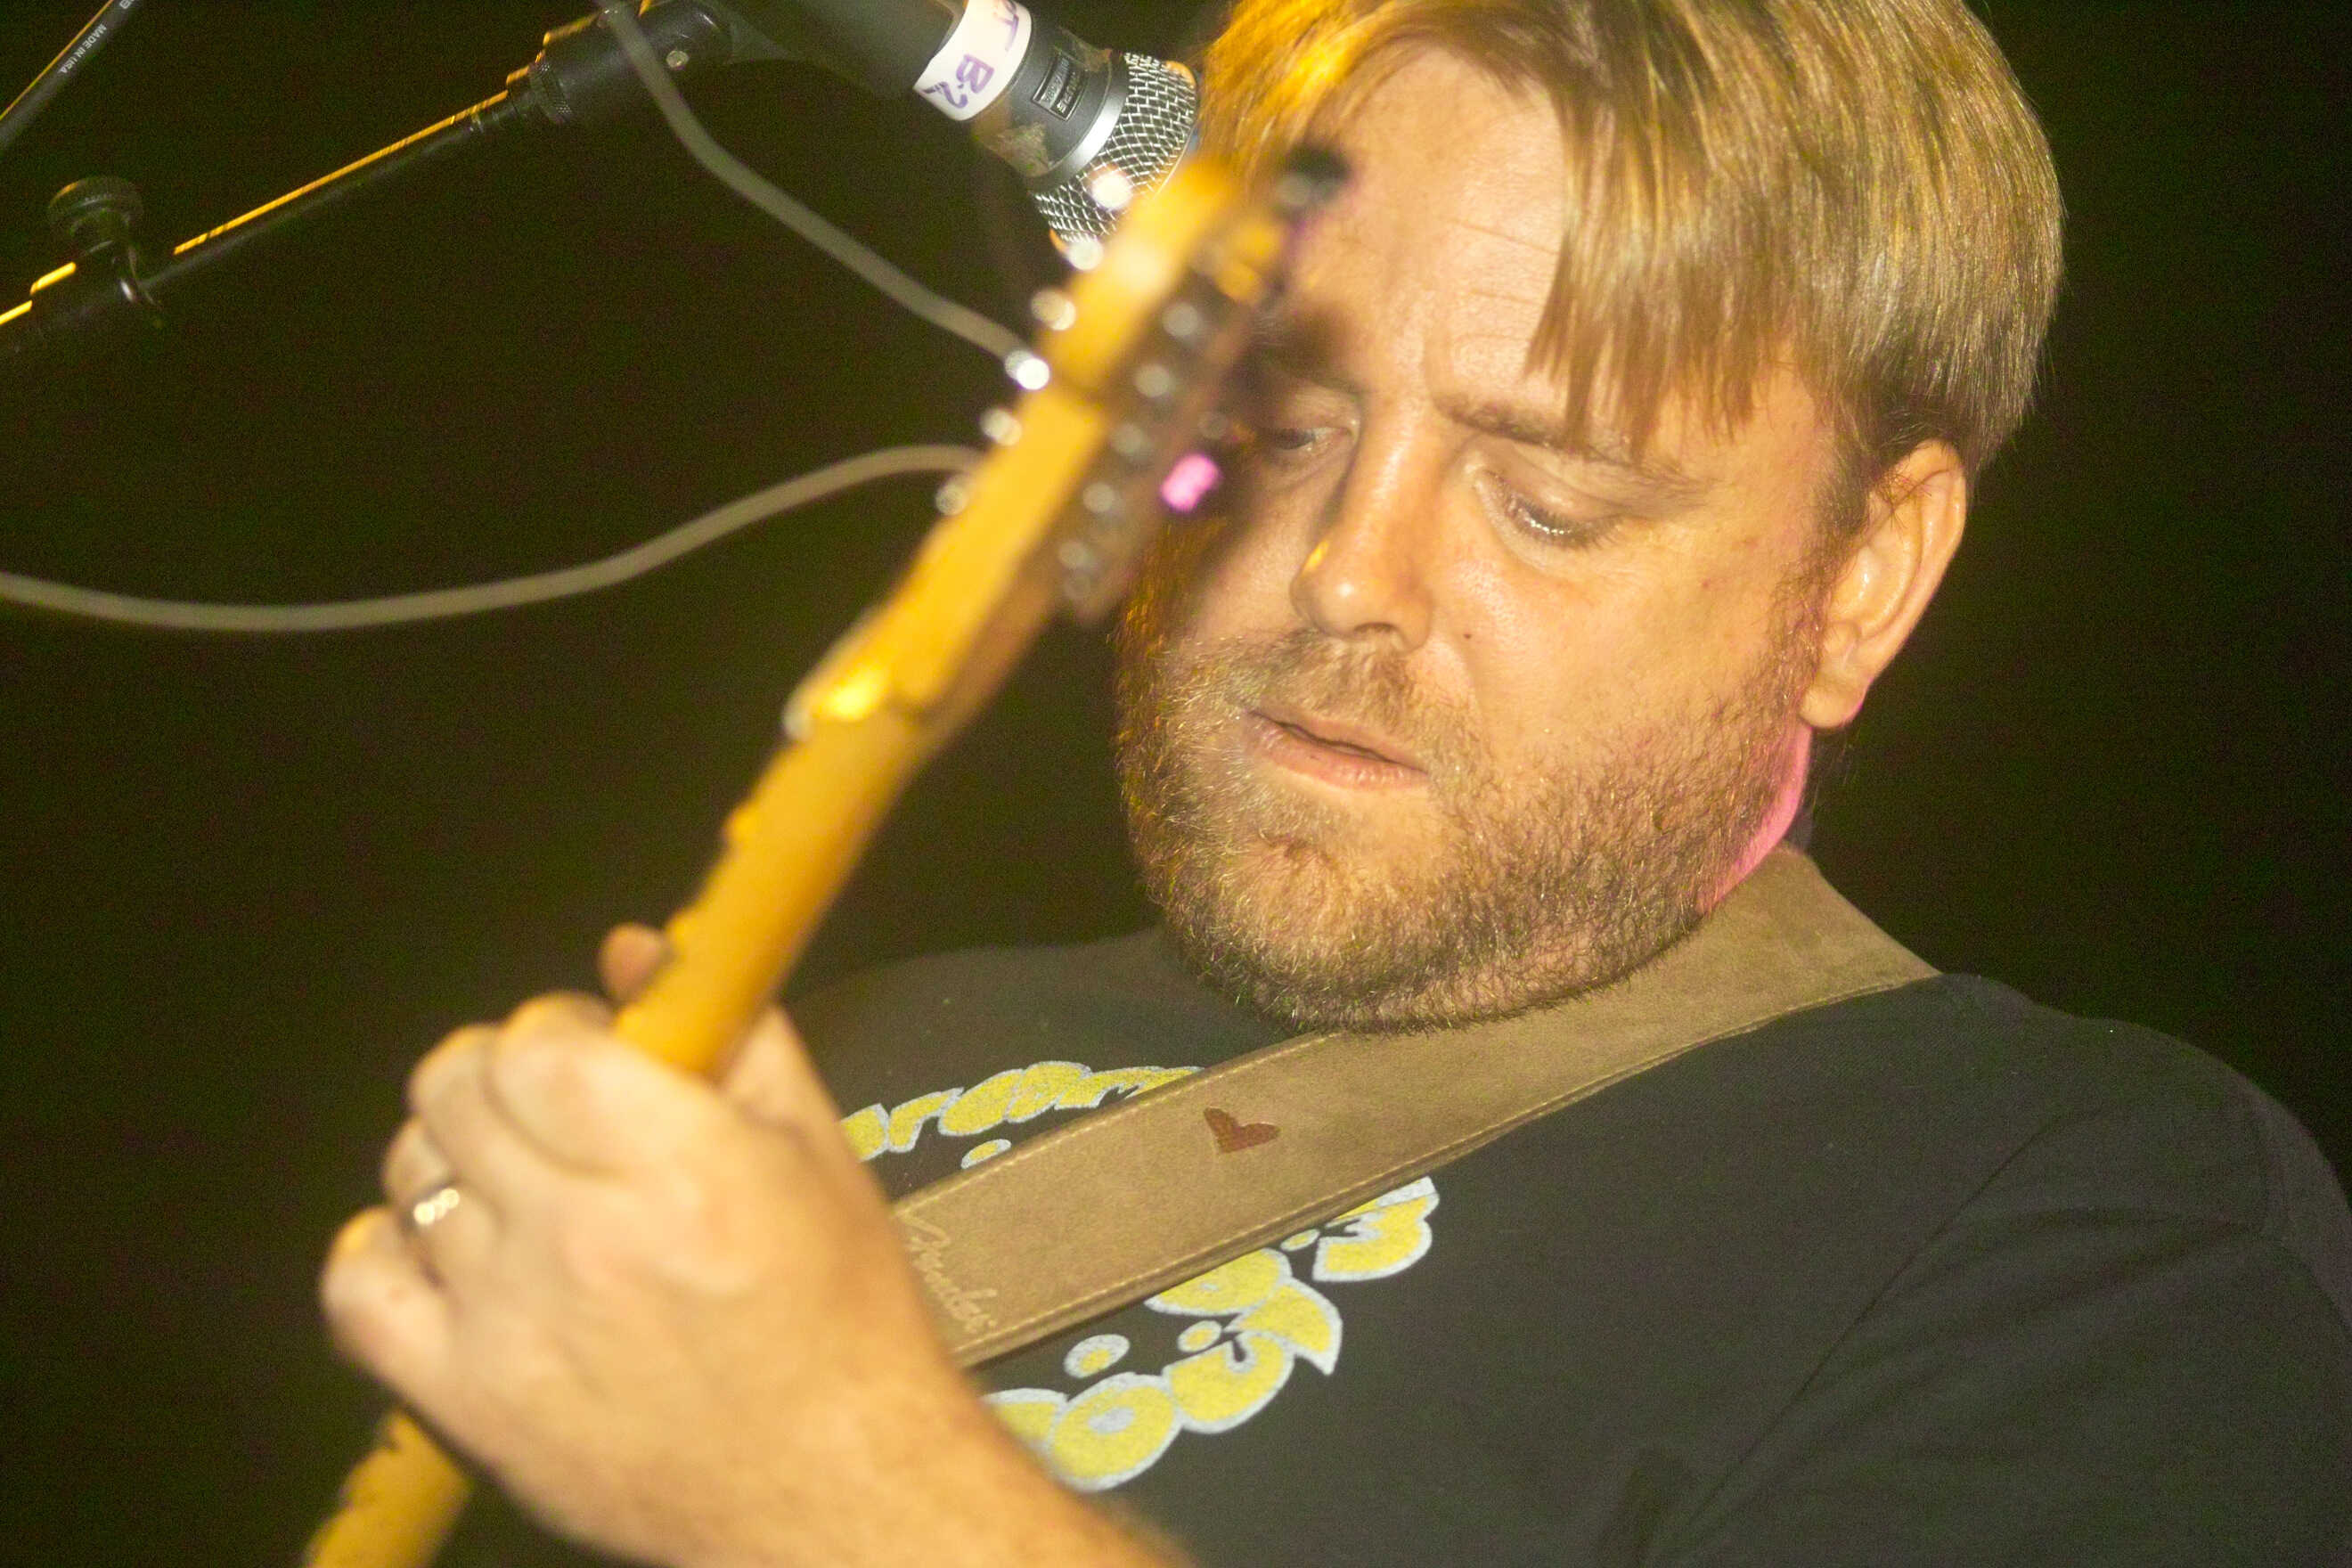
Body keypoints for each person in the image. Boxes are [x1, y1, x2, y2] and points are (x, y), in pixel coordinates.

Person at [322, 0, 2352, 1563]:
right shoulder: (854, 1036)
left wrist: (836, 1486)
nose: (1343, 575)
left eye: (1551, 502)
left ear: (1864, 576)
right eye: (1286, 428)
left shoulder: (2094, 1222)